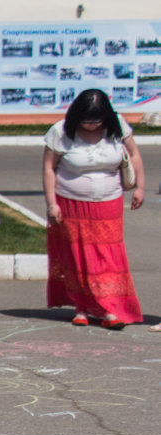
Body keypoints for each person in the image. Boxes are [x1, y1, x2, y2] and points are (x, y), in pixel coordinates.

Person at [43, 88, 144, 329]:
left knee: (107, 257)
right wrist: (51, 203)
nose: (91, 126)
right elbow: (49, 168)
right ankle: (82, 307)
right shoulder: (60, 131)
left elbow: (135, 155)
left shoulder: (118, 126)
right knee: (78, 256)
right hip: (71, 204)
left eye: (96, 121)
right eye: (86, 121)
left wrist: (140, 187)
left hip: (109, 203)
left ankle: (109, 308)